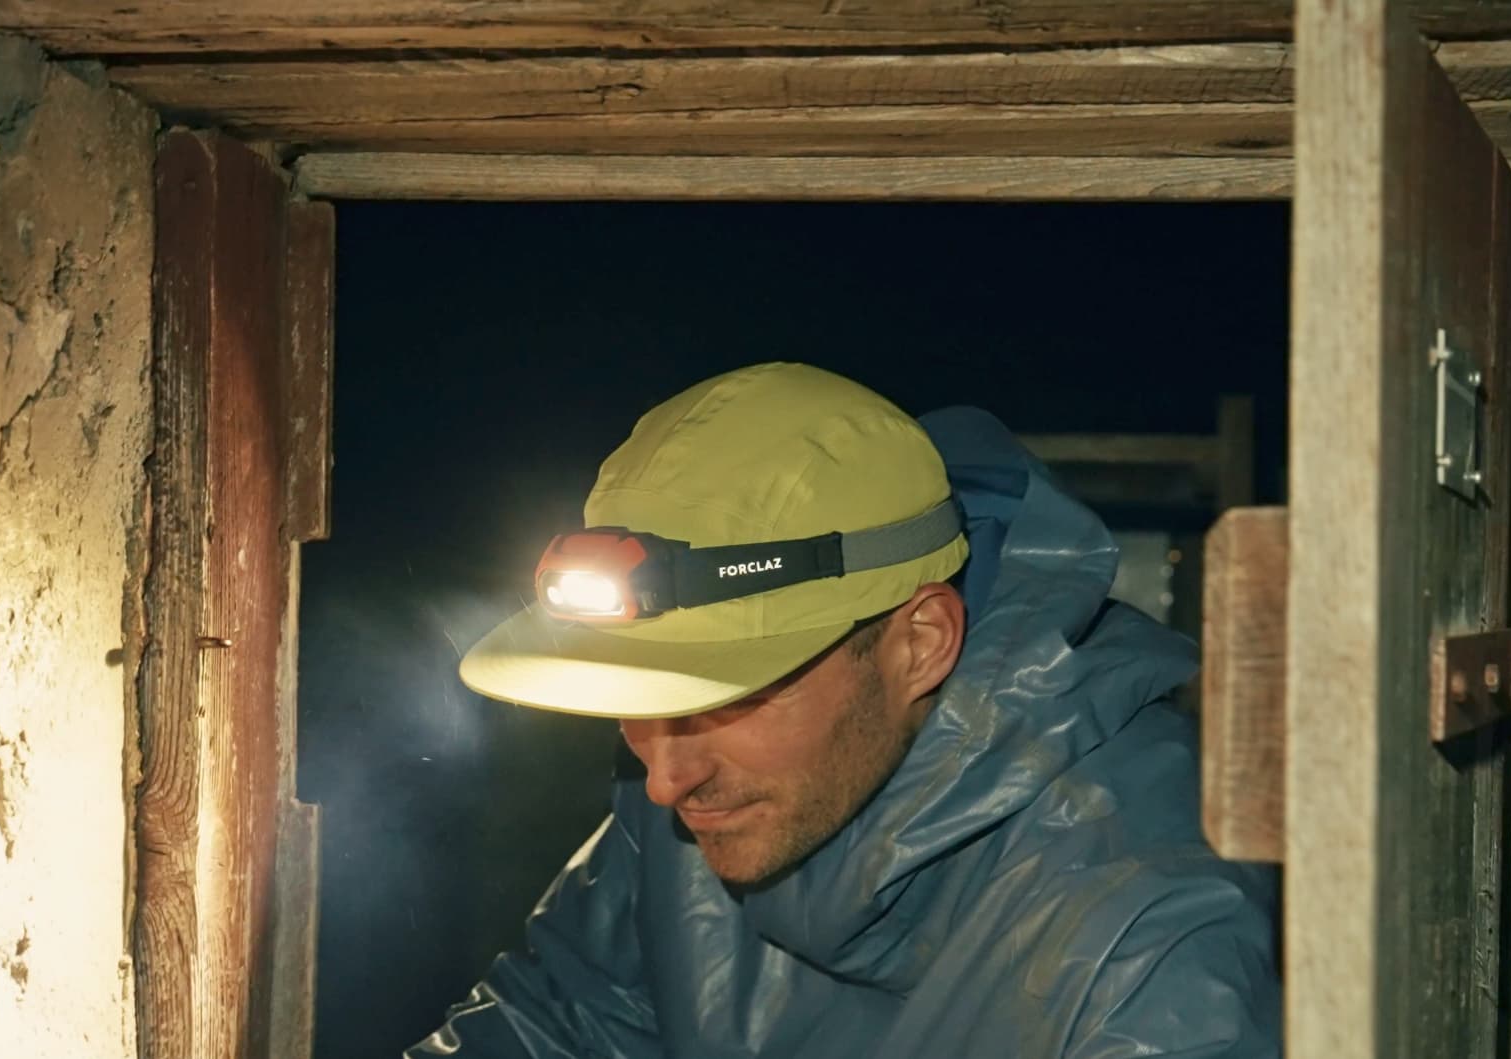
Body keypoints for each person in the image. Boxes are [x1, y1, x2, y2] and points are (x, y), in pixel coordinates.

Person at [415, 362, 1280, 1058]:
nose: (667, 779)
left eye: (733, 695)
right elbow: (553, 1024)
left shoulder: (1149, 928)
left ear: (919, 643)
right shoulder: (692, 802)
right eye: (644, 703)